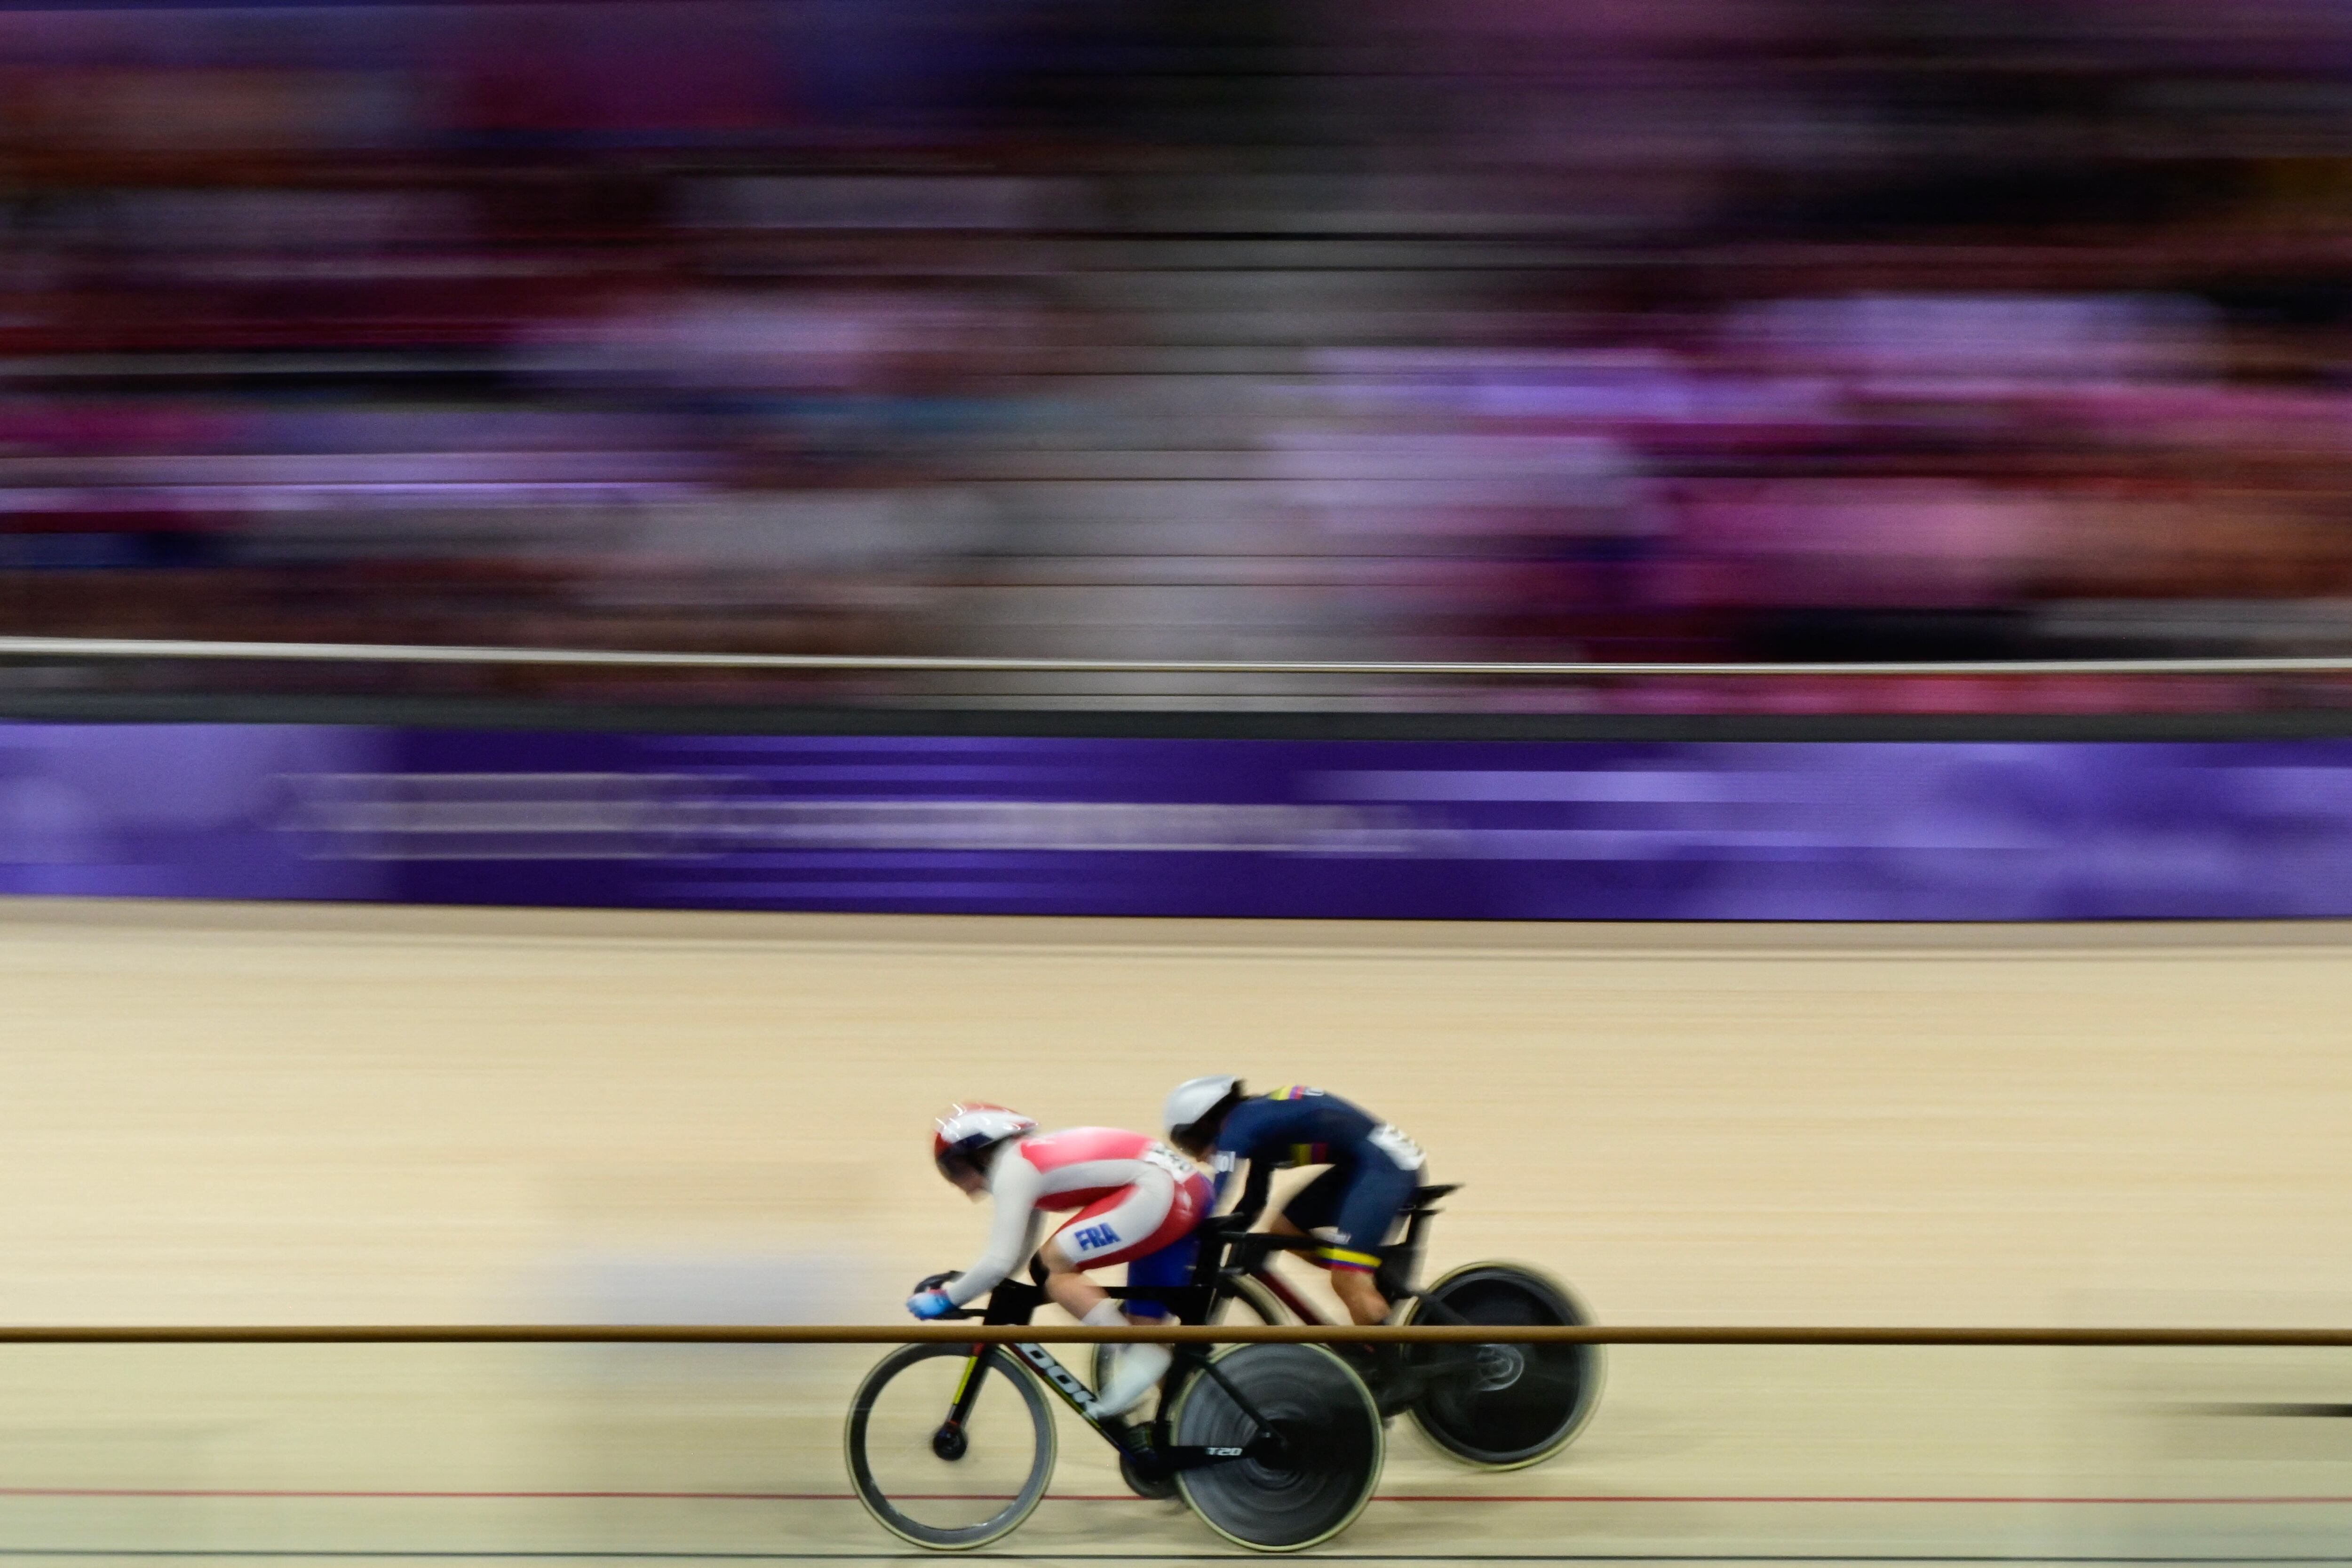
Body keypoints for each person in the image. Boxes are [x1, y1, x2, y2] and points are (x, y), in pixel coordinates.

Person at [907, 1103, 1211, 1417]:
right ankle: (1201, 1419)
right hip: (1181, 1188)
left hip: (1162, 1191)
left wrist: (948, 1297)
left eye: (954, 1168)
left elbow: (999, 1261)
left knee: (1053, 1264)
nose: (957, 1182)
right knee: (1142, 1330)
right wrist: (966, 1285)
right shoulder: (1026, 1159)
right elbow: (1013, 1257)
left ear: (981, 1152)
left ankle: (1138, 1353)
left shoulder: (1014, 1168)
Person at [1163, 1077, 1425, 1326]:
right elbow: (1251, 1205)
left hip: (1385, 1167)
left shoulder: (1238, 1127)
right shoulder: (1255, 1122)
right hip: (1369, 1164)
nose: (1197, 1158)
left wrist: (1186, 1236)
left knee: (1347, 1279)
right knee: (1284, 1229)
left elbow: (1215, 1196)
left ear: (1206, 1123)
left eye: (1190, 1145)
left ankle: (1386, 1365)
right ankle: (1368, 1270)